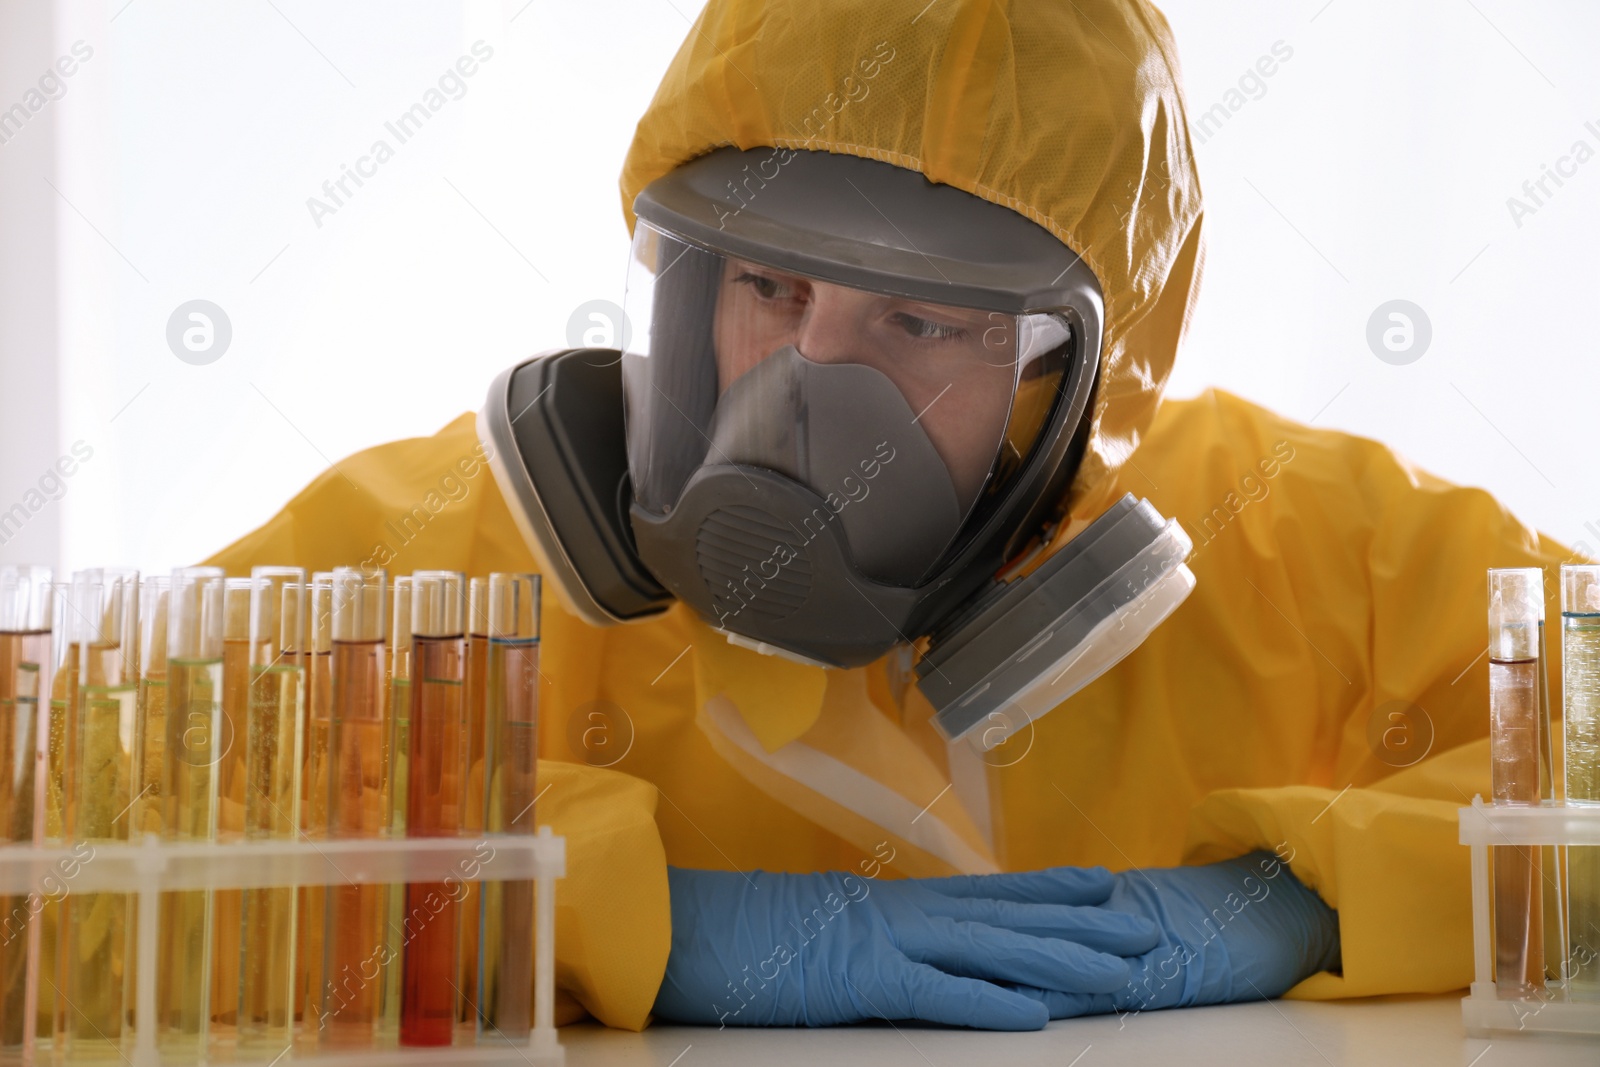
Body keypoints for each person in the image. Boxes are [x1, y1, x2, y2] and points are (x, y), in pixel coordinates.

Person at [208, 0, 1571, 1032]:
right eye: (770, 289)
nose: (812, 385)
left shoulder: (1296, 538)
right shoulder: (459, 555)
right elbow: (73, 835)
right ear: (688, 292)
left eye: (922, 320)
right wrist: (580, 913)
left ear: (1075, 384)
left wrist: (1320, 893)